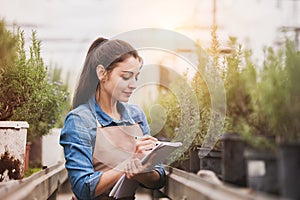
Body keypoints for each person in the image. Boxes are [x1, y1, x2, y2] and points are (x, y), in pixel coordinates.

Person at [60, 37, 166, 200]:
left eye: (136, 77)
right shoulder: (79, 120)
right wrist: (128, 164)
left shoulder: (136, 116)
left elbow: (158, 178)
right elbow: (83, 188)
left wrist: (140, 171)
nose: (133, 85)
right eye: (125, 77)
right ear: (102, 73)